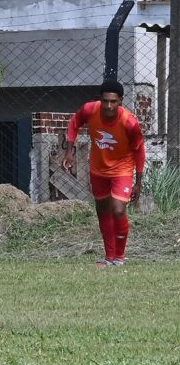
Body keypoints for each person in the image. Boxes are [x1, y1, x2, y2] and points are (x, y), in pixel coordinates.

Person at [62, 80, 145, 267]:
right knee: (102, 210)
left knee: (118, 209)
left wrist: (138, 181)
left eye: (113, 101)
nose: (108, 105)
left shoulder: (129, 122)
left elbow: (140, 151)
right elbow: (74, 123)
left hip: (122, 169)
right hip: (98, 169)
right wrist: (70, 150)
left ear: (120, 101)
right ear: (100, 99)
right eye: (105, 101)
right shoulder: (90, 110)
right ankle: (109, 257)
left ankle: (120, 257)